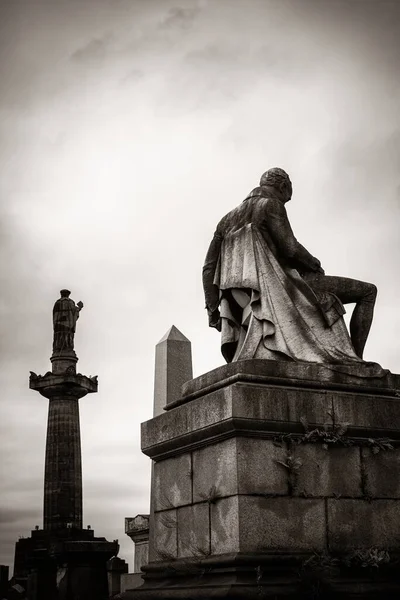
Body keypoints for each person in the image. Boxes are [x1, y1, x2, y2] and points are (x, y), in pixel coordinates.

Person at [202, 167, 377, 365]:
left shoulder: (226, 221)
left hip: (241, 296)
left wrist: (213, 309)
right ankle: (357, 361)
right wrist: (314, 263)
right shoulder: (271, 205)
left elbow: (209, 268)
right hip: (284, 287)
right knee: (368, 292)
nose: (287, 200)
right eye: (288, 195)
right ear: (284, 187)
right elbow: (290, 248)